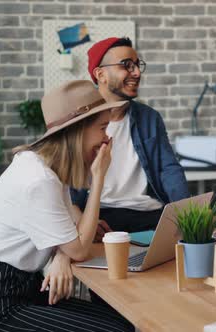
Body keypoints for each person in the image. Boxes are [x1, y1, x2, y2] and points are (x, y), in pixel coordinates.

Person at [0, 80, 134, 332]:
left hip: (26, 291)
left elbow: (72, 229)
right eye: (103, 127)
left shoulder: (47, 170)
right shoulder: (38, 180)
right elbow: (79, 249)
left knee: (123, 323)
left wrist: (62, 255)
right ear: (78, 131)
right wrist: (98, 179)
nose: (107, 138)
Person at [71, 37, 189, 240]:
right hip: (103, 218)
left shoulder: (149, 117)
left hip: (151, 214)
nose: (136, 72)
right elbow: (66, 186)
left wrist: (188, 214)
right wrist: (81, 218)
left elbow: (169, 169)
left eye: (137, 65)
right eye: (127, 65)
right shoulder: (78, 123)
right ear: (101, 74)